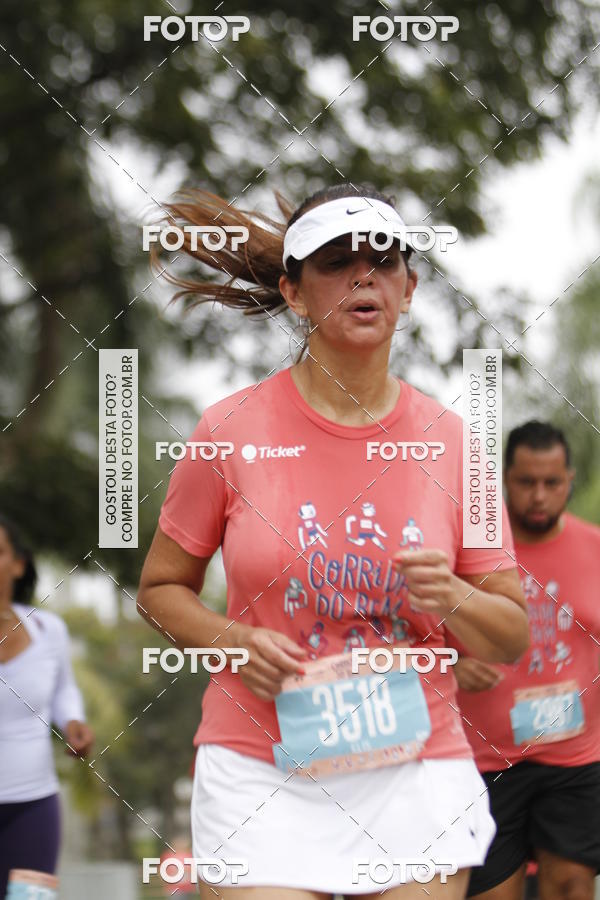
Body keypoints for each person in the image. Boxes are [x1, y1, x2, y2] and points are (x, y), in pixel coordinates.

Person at [137, 183, 529, 899]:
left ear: (407, 290)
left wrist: (455, 595)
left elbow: (508, 634)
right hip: (261, 768)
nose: (363, 276)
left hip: (415, 770)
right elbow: (160, 590)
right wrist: (232, 641)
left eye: (383, 261)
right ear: (293, 291)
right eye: (336, 261)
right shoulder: (229, 431)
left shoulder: (455, 445)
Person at [453, 421, 600, 900]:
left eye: (551, 483)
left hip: (576, 756)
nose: (539, 495)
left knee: (573, 885)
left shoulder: (594, 547)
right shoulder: (470, 555)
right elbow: (416, 633)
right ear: (502, 481)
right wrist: (449, 665)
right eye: (526, 482)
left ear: (569, 481)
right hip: (487, 760)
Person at [0, 514, 94, 898]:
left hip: (34, 808)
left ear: (18, 564)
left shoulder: (47, 629)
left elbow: (63, 691)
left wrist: (73, 721)